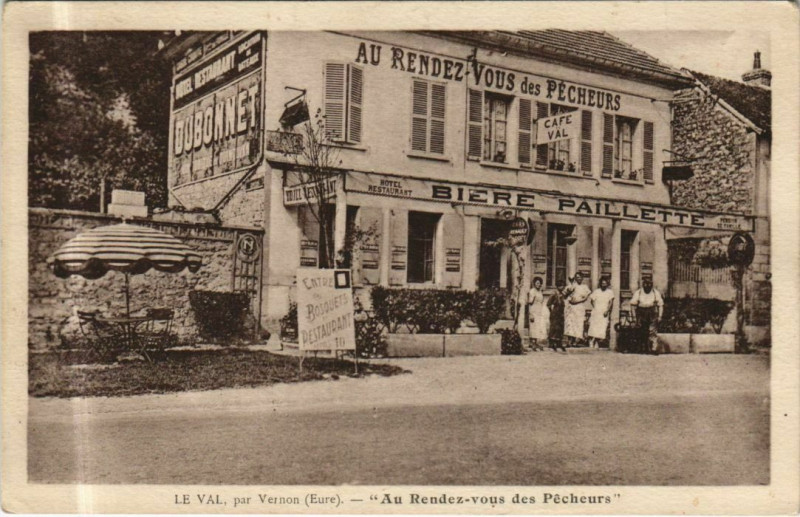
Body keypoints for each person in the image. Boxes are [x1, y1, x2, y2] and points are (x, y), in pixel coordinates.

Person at [630, 276, 664, 355]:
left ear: (652, 284)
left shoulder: (655, 293)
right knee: (642, 330)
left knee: (653, 331)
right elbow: (632, 304)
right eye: (645, 283)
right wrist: (634, 317)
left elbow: (660, 305)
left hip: (652, 312)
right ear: (643, 284)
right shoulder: (638, 292)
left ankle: (653, 349)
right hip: (641, 313)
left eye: (649, 284)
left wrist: (660, 316)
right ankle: (643, 348)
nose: (647, 286)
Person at [564, 272, 591, 346]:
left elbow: (586, 298)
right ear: (575, 278)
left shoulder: (585, 287)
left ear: (582, 278)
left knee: (578, 324)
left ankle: (576, 341)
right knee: (570, 323)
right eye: (577, 277)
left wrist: (577, 301)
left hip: (579, 307)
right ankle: (569, 341)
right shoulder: (571, 286)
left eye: (580, 277)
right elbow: (565, 295)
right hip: (571, 307)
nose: (578, 278)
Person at [588, 276, 614, 349]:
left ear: (607, 284)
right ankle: (591, 341)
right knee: (593, 327)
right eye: (602, 283)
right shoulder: (597, 291)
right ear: (600, 284)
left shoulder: (610, 292)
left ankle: (596, 341)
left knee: (602, 328)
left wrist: (607, 310)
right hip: (596, 311)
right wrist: (595, 308)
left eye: (605, 283)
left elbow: (611, 302)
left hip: (604, 312)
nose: (604, 285)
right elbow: (592, 300)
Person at [546, 280, 568, 352]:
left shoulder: (562, 294)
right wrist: (551, 311)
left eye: (563, 286)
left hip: (561, 313)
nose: (562, 287)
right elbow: (548, 304)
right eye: (560, 286)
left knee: (560, 328)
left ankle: (559, 343)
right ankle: (552, 343)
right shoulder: (554, 294)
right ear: (557, 286)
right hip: (555, 313)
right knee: (554, 328)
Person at [527, 276, 547, 351]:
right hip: (533, 310)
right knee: (533, 327)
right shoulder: (532, 291)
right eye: (537, 283)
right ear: (534, 283)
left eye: (540, 283)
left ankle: (536, 342)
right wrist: (531, 314)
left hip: (539, 311)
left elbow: (541, 302)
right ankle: (532, 343)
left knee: (538, 327)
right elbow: (530, 303)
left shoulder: (540, 291)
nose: (538, 284)